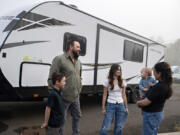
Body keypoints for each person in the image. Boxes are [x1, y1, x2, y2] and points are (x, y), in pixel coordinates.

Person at [48, 39, 82, 135]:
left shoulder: (79, 62)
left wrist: (79, 88)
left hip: (75, 96)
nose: (80, 49)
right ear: (71, 47)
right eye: (78, 47)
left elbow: (79, 76)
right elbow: (51, 78)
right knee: (61, 120)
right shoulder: (59, 59)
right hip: (63, 97)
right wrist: (55, 94)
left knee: (78, 116)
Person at [137, 62, 173, 135]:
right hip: (157, 113)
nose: (153, 74)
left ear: (159, 73)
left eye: (154, 72)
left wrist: (138, 103)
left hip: (151, 115)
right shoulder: (165, 85)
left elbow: (146, 102)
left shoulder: (159, 87)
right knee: (153, 132)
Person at [100, 64, 128, 135]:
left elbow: (124, 95)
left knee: (119, 127)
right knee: (106, 127)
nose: (119, 71)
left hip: (121, 105)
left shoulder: (123, 81)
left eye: (120, 70)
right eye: (117, 70)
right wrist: (103, 108)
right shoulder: (107, 81)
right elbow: (104, 95)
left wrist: (126, 107)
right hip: (110, 105)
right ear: (113, 70)